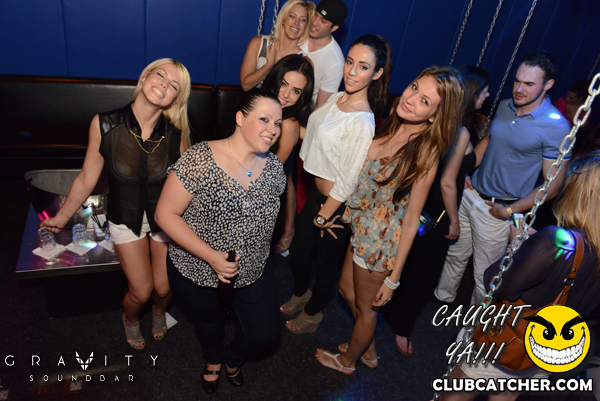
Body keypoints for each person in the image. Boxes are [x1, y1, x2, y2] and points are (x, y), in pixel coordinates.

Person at [314, 66, 464, 374]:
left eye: (424, 101)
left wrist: (393, 279)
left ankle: (348, 362)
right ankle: (367, 349)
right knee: (345, 291)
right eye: (414, 87)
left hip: (380, 245)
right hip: (361, 230)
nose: (411, 99)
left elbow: (411, 221)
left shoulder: (424, 155)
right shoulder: (388, 126)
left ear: (434, 116)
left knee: (367, 311)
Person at [40, 58, 191, 350]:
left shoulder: (175, 133)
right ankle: (130, 319)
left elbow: (184, 183)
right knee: (142, 292)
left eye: (174, 85)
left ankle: (159, 312)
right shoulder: (105, 124)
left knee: (163, 289)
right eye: (160, 75)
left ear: (175, 98)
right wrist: (61, 218)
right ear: (145, 77)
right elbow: (87, 178)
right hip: (125, 217)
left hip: (164, 220)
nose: (164, 85)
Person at [154, 89, 285, 394]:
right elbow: (165, 214)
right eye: (264, 119)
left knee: (264, 335)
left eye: (278, 123)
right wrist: (212, 256)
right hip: (198, 268)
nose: (273, 129)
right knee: (208, 321)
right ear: (239, 118)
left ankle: (232, 357)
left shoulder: (274, 167)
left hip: (253, 269)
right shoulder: (201, 158)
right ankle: (213, 359)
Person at [441, 150, 600, 401]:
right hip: (548, 347)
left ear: (579, 195)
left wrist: (516, 247)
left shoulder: (556, 241)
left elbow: (496, 284)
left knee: (454, 396)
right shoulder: (575, 246)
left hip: (508, 339)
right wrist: (537, 251)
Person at [435, 52, 571, 307]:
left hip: (497, 210)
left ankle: (473, 326)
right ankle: (441, 303)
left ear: (548, 85)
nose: (519, 89)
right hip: (470, 194)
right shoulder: (505, 105)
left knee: (484, 276)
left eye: (528, 84)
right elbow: (488, 142)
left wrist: (508, 211)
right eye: (517, 81)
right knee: (454, 256)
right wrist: (465, 172)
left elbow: (552, 185)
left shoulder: (557, 127)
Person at [281, 34, 392, 334]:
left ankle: (313, 313)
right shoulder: (335, 99)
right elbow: (315, 139)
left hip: (337, 206)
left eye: (363, 67)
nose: (352, 72)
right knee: (299, 254)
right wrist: (284, 123)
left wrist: (324, 216)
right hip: (316, 196)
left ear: (377, 73)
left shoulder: (363, 121)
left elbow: (349, 178)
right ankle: (301, 293)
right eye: (350, 62)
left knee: (325, 266)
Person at [384, 65, 489, 358]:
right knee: (425, 271)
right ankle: (402, 326)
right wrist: (454, 220)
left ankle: (389, 308)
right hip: (437, 209)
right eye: (484, 92)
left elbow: (461, 166)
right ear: (471, 94)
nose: (486, 97)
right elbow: (447, 181)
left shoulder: (442, 125)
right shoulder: (460, 131)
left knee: (406, 259)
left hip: (418, 200)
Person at [261, 55, 315, 254]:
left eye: (296, 91)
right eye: (283, 83)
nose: (285, 94)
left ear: (302, 96)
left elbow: (265, 176)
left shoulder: (289, 125)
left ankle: (288, 231)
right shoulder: (259, 105)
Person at [240, 0, 314, 91]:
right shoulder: (258, 44)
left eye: (303, 20)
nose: (297, 23)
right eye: (292, 16)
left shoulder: (304, 62)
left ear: (306, 26)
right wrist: (269, 65)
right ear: (283, 19)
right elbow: (246, 85)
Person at [300, 0, 348, 110]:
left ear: (334, 28)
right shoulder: (299, 30)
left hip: (303, 111)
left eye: (323, 21)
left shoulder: (335, 63)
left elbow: (320, 108)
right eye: (315, 15)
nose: (314, 22)